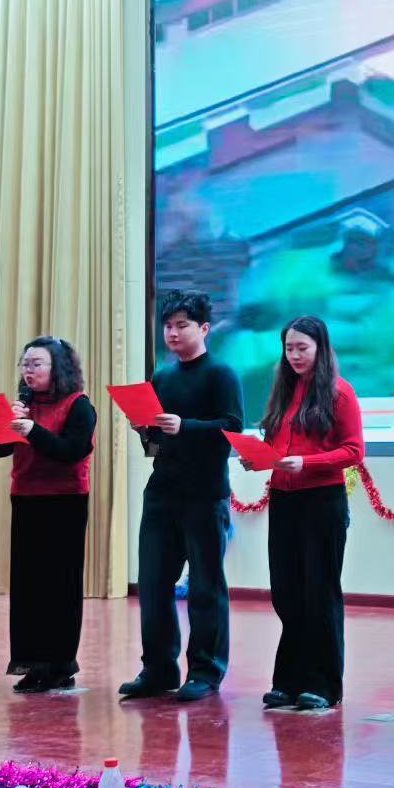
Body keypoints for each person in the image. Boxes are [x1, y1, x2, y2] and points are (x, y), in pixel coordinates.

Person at [121, 290, 244, 702]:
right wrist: (146, 429)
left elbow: (233, 428)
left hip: (205, 493)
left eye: (182, 325)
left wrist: (185, 425)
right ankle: (158, 669)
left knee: (206, 586)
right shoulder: (162, 377)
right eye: (168, 326)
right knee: (153, 583)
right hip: (162, 491)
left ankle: (206, 671)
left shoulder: (221, 374)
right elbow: (157, 441)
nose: (172, 333)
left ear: (204, 328)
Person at [254, 315, 365, 711]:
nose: (295, 355)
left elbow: (354, 451)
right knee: (287, 593)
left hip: (322, 500)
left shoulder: (340, 393)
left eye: (303, 347)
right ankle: (289, 680)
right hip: (284, 499)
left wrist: (308, 462)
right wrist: (259, 458)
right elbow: (277, 444)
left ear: (321, 348)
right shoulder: (284, 390)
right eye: (289, 348)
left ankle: (323, 684)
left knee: (319, 591)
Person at [0, 337, 96, 693]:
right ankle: (33, 664)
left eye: (37, 364)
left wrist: (33, 431)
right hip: (26, 498)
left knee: (60, 584)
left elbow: (71, 451)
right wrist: (7, 424)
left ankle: (60, 665)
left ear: (58, 368)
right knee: (28, 585)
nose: (29, 371)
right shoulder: (24, 405)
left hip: (65, 502)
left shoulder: (79, 405)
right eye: (25, 364)